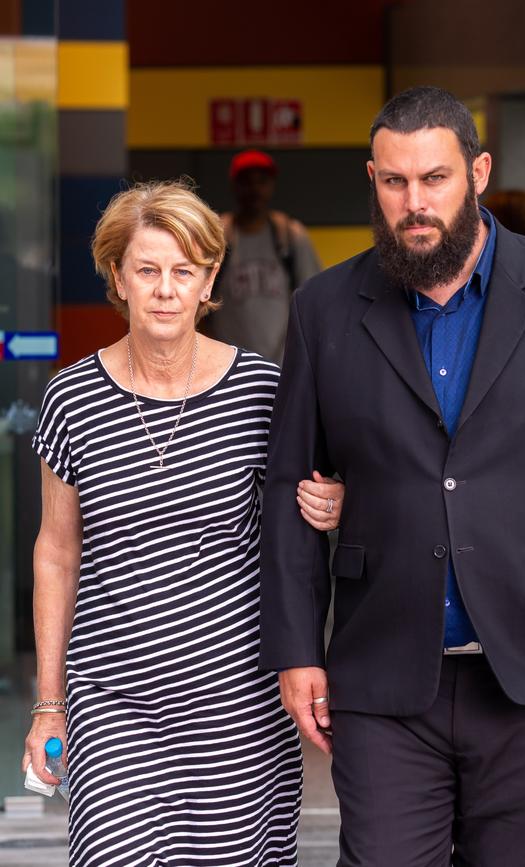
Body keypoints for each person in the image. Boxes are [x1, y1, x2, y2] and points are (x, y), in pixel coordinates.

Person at [258, 86, 525, 866]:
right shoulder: (323, 309)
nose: (415, 204)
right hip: (383, 679)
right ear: (372, 178)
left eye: (434, 178)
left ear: (477, 171)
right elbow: (287, 487)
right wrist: (299, 649)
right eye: (395, 181)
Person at [22, 180, 344, 867]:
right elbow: (56, 552)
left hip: (239, 706)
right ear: (117, 277)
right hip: (114, 702)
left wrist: (335, 503)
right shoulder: (72, 399)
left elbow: (304, 520)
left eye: (184, 271)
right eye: (148, 269)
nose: (166, 289)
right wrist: (50, 702)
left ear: (208, 281)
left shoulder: (263, 391)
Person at [205, 149, 321, 364]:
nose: (254, 189)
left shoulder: (290, 236)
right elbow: (199, 304)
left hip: (284, 366)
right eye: (246, 182)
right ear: (234, 186)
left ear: (272, 185)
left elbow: (315, 302)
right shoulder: (217, 236)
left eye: (262, 181)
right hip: (228, 367)